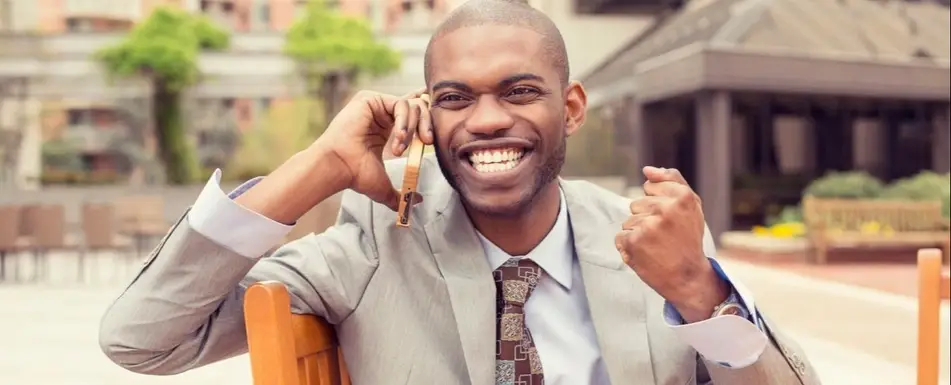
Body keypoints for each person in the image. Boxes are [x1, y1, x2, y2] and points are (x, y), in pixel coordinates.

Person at [99, 0, 820, 384]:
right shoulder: (371, 245)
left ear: (570, 108)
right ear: (428, 113)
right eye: (454, 98)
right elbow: (140, 341)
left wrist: (699, 291)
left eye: (519, 91)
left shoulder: (647, 241)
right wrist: (319, 164)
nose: (485, 121)